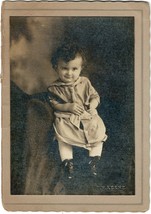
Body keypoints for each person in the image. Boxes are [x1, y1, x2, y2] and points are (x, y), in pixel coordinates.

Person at [48, 43, 107, 179]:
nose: (69, 73)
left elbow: (95, 96)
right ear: (56, 68)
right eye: (64, 68)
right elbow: (54, 104)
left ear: (81, 68)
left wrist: (92, 105)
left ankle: (94, 161)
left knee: (98, 133)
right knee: (62, 136)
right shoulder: (54, 88)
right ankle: (67, 162)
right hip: (66, 117)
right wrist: (68, 107)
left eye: (74, 69)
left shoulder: (85, 82)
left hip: (86, 115)